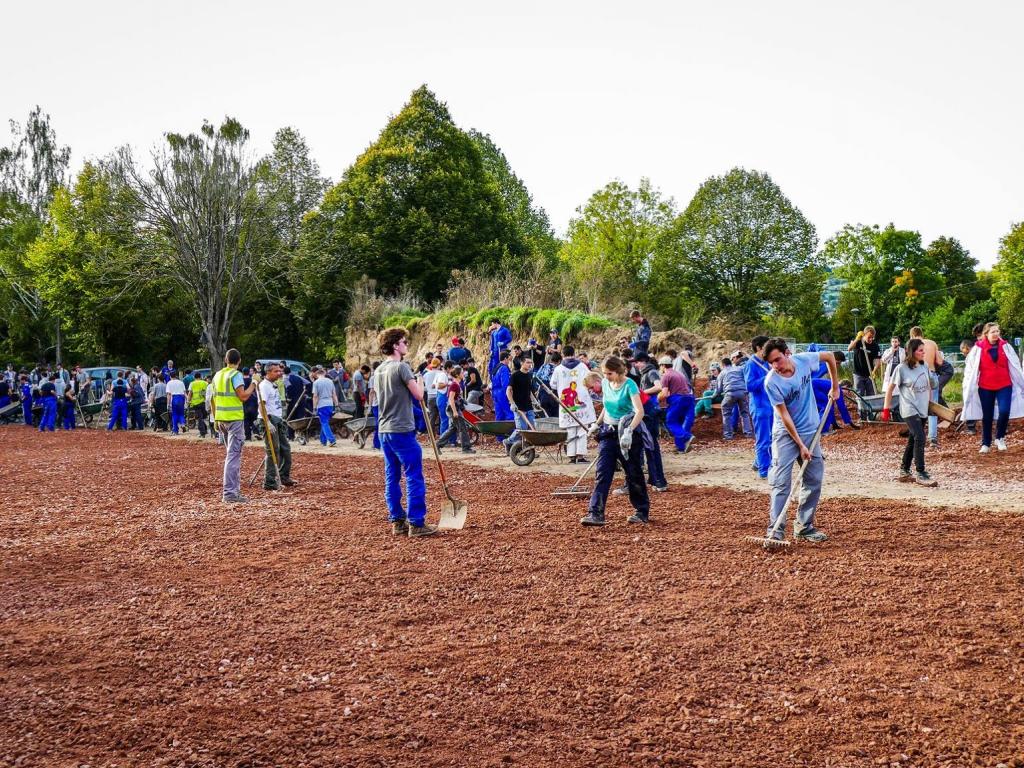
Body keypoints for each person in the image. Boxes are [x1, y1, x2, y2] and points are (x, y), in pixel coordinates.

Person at [760, 338, 837, 544]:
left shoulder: (804, 360)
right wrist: (800, 445)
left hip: (810, 430)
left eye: (777, 359)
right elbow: (784, 416)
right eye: (771, 362)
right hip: (785, 435)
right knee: (781, 482)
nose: (775, 365)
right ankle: (775, 530)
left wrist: (835, 387)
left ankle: (804, 526)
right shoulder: (771, 382)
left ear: (787, 353)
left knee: (813, 479)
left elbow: (830, 357)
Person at [374, 327, 437, 537]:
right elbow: (418, 395)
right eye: (404, 342)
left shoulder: (379, 370)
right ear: (395, 345)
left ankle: (397, 521)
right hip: (401, 428)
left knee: (391, 475)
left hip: (384, 429)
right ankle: (416, 523)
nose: (406, 345)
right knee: (413, 475)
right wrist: (420, 381)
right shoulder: (401, 367)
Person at [580, 356, 651, 526]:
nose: (606, 376)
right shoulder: (606, 383)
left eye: (609, 373)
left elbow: (639, 411)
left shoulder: (630, 385)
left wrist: (629, 431)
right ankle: (595, 513)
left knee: (633, 473)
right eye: (604, 373)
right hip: (608, 432)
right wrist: (597, 424)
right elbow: (606, 406)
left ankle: (642, 510)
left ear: (618, 371)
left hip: (627, 432)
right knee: (602, 472)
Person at [961, 322, 1024, 453]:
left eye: (997, 331)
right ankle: (986, 443)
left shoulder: (1006, 346)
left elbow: (1015, 363)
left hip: (1005, 384)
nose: (996, 334)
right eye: (993, 332)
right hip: (985, 386)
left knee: (1004, 411)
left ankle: (1000, 437)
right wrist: (968, 385)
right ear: (986, 334)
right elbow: (970, 368)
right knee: (987, 415)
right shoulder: (978, 348)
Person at [881, 338, 936, 485]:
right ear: (912, 352)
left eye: (924, 350)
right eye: (920, 350)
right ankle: (920, 472)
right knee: (920, 437)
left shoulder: (924, 366)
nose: (923, 353)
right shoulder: (901, 368)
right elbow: (890, 389)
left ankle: (904, 469)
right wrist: (886, 409)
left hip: (922, 408)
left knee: (913, 439)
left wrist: (930, 405)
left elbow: (929, 386)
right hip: (909, 408)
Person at [211, 348, 257, 503]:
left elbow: (213, 399)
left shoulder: (218, 375)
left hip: (221, 419)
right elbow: (243, 396)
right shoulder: (235, 375)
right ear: (239, 361)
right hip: (234, 419)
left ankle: (233, 491)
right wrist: (254, 384)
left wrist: (215, 419)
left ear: (226, 360)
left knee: (231, 455)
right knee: (233, 457)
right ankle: (230, 493)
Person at [548, 345, 596, 463]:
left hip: (566, 405)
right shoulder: (582, 366)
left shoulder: (558, 369)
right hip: (582, 403)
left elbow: (552, 384)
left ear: (562, 355)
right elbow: (591, 379)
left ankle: (571, 456)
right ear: (574, 354)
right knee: (582, 429)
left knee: (570, 430)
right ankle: (580, 455)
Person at [258, 362, 296, 491]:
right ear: (268, 372)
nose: (279, 373)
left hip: (278, 420)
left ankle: (284, 476)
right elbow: (261, 405)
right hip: (269, 420)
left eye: (280, 371)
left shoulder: (273, 384)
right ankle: (269, 482)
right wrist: (267, 422)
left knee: (285, 449)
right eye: (276, 371)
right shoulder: (264, 386)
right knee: (273, 451)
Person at [634, 353, 668, 491]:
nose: (636, 365)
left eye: (637, 362)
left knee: (651, 445)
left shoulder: (651, 372)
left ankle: (659, 480)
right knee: (648, 446)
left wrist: (641, 392)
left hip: (651, 410)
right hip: (648, 409)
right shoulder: (644, 373)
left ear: (643, 361)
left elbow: (659, 387)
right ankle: (654, 478)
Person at [908, 326, 945, 447]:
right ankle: (932, 438)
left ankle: (917, 436)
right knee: (932, 406)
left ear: (912, 335)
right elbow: (940, 362)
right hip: (931, 375)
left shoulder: (911, 345)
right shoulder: (932, 343)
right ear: (922, 334)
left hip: (917, 376)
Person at [744, 336, 773, 477]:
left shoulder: (766, 363)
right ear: (759, 348)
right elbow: (749, 386)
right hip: (759, 407)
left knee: (772, 438)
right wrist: (767, 377)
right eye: (767, 346)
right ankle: (764, 471)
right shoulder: (751, 364)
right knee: (763, 440)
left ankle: (760, 463)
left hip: (770, 405)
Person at [658, 355, 695, 453]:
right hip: (689, 398)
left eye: (660, 366)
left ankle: (687, 437)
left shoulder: (666, 376)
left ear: (663, 365)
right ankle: (680, 447)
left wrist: (657, 398)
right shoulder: (680, 374)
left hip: (678, 399)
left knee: (671, 421)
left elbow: (664, 394)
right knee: (679, 423)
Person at [437, 365, 475, 453]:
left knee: (453, 429)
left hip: (454, 408)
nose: (463, 374)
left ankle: (438, 444)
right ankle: (466, 448)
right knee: (462, 428)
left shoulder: (457, 384)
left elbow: (455, 397)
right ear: (457, 375)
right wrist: (454, 411)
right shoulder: (454, 385)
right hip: (453, 408)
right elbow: (451, 399)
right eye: (461, 373)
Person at [716, 357, 752, 439]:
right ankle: (748, 433)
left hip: (730, 393)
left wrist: (715, 394)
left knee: (726, 413)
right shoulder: (739, 369)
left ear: (723, 365)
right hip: (743, 393)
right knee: (745, 413)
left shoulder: (722, 373)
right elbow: (746, 378)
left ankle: (728, 435)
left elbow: (718, 390)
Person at [506, 356, 537, 450]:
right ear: (522, 363)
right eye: (527, 362)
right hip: (519, 407)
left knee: (532, 428)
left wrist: (535, 402)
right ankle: (508, 441)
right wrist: (512, 403)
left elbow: (529, 391)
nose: (529, 365)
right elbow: (508, 390)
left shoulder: (529, 376)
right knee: (521, 429)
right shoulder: (515, 375)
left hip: (529, 406)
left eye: (530, 363)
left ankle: (529, 449)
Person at [848, 326, 881, 396]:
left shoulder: (875, 346)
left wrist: (874, 371)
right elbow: (849, 348)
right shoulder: (858, 342)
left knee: (872, 394)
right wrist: (857, 339)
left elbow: (877, 361)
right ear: (864, 335)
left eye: (872, 337)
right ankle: (860, 403)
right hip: (858, 374)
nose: (871, 339)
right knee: (859, 394)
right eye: (869, 337)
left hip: (870, 374)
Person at [311, 365, 339, 447]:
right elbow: (334, 394)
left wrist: (314, 408)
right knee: (325, 422)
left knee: (324, 423)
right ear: (324, 373)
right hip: (330, 404)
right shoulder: (330, 381)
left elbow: (315, 396)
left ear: (317, 374)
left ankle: (331, 440)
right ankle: (323, 440)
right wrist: (337, 405)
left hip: (321, 405)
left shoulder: (316, 383)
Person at [490, 350, 514, 435]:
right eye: (508, 359)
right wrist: (510, 395)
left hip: (495, 392)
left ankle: (499, 436)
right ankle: (512, 434)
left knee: (499, 415)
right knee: (509, 413)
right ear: (505, 359)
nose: (509, 361)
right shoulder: (504, 368)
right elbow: (505, 384)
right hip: (502, 393)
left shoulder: (496, 367)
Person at [188, 373, 209, 437]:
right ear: (200, 377)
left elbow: (190, 393)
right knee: (202, 417)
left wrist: (188, 401)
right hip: (203, 402)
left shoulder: (192, 383)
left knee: (199, 418)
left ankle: (202, 433)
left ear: (194, 377)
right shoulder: (205, 383)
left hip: (196, 403)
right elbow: (205, 392)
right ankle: (205, 430)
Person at [242, 367, 259, 440]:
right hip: (253, 401)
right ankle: (256, 432)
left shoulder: (241, 381)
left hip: (245, 401)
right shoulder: (252, 380)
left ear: (242, 373)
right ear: (249, 372)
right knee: (254, 418)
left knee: (246, 419)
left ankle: (248, 436)